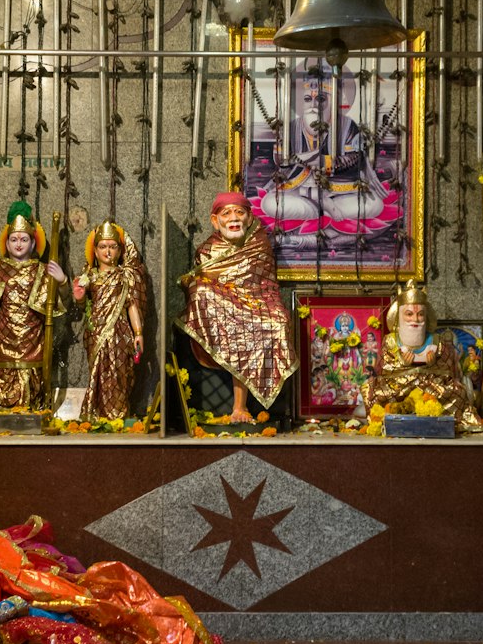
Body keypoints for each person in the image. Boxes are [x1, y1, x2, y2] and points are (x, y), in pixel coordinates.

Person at [176, 192, 297, 422]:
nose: (234, 218)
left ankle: (254, 407)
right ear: (215, 220)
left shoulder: (259, 245)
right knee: (202, 293)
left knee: (279, 322)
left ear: (249, 217)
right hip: (223, 310)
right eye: (227, 213)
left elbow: (266, 286)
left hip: (259, 304)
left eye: (239, 212)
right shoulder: (207, 250)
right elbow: (197, 283)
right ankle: (238, 407)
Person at [259, 64, 389, 224]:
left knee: (374, 204)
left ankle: (319, 207)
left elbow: (354, 157)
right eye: (308, 99)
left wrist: (323, 161)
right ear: (302, 102)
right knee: (270, 204)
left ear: (332, 101)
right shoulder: (291, 127)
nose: (313, 105)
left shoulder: (347, 125)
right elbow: (280, 158)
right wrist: (307, 158)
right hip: (299, 187)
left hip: (338, 188)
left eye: (320, 99)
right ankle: (318, 203)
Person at [361, 280, 482, 433]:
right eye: (409, 314)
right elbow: (383, 367)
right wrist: (402, 363)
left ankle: (446, 422)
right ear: (399, 316)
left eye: (420, 315)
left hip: (431, 385)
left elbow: (449, 368)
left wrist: (433, 365)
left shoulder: (437, 341)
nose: (415, 320)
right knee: (374, 391)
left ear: (427, 316)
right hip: (398, 386)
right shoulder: (391, 340)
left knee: (457, 391)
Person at [0, 201, 66, 410]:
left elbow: (59, 304)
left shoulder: (41, 270)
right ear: (7, 244)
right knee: (6, 382)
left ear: (34, 244)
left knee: (31, 382)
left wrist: (62, 281)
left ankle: (32, 411)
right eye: (14, 240)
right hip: (5, 336)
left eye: (24, 239)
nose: (19, 244)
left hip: (33, 337)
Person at [71, 220, 147, 420]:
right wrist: (79, 296)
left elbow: (132, 305)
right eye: (103, 247)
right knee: (99, 372)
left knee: (120, 372)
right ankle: (98, 413)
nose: (108, 252)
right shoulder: (90, 276)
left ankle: (119, 412)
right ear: (95, 252)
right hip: (96, 331)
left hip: (121, 332)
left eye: (113, 247)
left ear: (120, 251)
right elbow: (81, 305)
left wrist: (138, 333)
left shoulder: (125, 276)